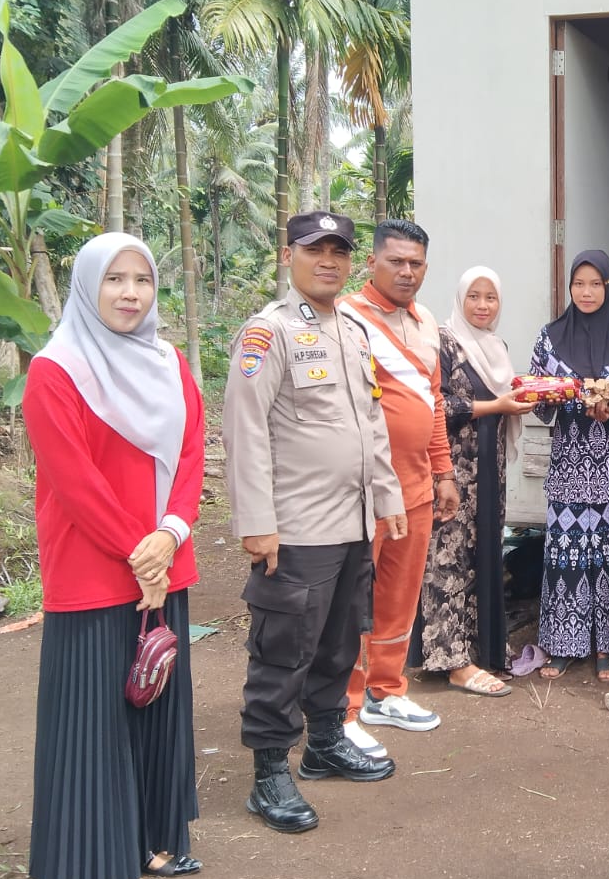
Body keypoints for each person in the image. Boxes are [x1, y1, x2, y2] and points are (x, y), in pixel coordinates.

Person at [23, 233, 205, 879]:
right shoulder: (56, 371)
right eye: (115, 279)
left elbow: (192, 452)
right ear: (87, 286)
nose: (131, 293)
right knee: (96, 718)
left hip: (164, 559)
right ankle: (101, 864)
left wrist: (170, 534)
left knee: (156, 702)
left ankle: (153, 838)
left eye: (143, 279)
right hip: (94, 569)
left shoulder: (169, 363)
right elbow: (75, 482)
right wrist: (141, 552)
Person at [224, 212, 408, 835]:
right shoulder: (268, 333)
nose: (328, 261)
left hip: (353, 523)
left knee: (338, 643)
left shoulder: (353, 331)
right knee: (283, 653)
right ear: (289, 256)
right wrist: (256, 521)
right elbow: (245, 430)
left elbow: (371, 424)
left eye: (338, 251)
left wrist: (387, 498)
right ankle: (270, 771)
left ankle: (325, 743)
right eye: (314, 250)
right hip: (296, 528)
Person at [340, 219, 460, 745]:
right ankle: (343, 708)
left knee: (400, 595)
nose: (407, 271)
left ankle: (386, 691)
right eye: (396, 261)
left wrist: (444, 472)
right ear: (372, 263)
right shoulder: (346, 317)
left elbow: (432, 402)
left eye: (416, 263)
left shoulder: (427, 321)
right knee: (351, 599)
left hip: (416, 486)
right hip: (360, 489)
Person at [530, 250, 609, 682]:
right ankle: (564, 645)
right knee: (566, 555)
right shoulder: (549, 337)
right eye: (579, 283)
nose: (586, 292)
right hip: (569, 468)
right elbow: (538, 402)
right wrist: (550, 396)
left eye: (596, 284)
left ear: (608, 287)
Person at [419, 266, 535, 696]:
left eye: (491, 297)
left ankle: (479, 649)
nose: (482, 305)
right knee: (448, 557)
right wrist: (495, 407)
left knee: (483, 553)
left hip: (490, 466)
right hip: (452, 468)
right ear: (460, 298)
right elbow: (437, 404)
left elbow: (503, 398)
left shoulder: (496, 346)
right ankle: (450, 658)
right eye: (474, 296)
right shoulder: (444, 342)